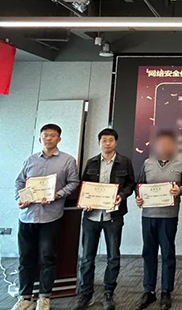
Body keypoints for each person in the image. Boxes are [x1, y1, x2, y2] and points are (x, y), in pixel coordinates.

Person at [11, 124, 79, 310]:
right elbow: (19, 182)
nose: (48, 138)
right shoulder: (31, 159)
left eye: (52, 135)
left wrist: (57, 195)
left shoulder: (67, 160)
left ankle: (44, 297)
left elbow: (74, 182)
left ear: (59, 139)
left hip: (51, 216)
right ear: (40, 139)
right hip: (27, 216)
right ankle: (25, 297)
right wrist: (20, 198)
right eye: (45, 135)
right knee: (25, 258)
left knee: (47, 257)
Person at [73, 128, 135, 310]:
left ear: (116, 142)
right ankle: (85, 294)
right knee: (87, 257)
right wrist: (85, 201)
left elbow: (131, 184)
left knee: (113, 256)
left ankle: (109, 293)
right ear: (99, 142)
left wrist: (121, 195)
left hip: (113, 216)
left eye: (110, 140)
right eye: (104, 140)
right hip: (91, 216)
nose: (107, 143)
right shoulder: (91, 162)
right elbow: (83, 186)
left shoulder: (125, 162)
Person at [134, 131, 182, 310]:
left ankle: (166, 291)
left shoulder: (181, 163)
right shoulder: (147, 163)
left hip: (169, 216)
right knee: (148, 253)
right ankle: (149, 290)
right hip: (148, 216)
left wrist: (180, 190)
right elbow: (139, 185)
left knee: (167, 254)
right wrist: (138, 198)